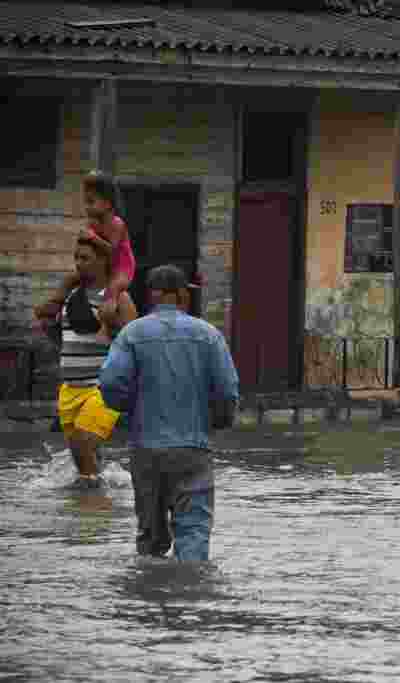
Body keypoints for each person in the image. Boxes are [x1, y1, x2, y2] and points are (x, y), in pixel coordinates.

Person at [99, 265, 239, 561]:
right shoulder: (208, 335)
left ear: (152, 296)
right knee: (193, 535)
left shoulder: (131, 334)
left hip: (145, 450)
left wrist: (128, 413)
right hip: (193, 449)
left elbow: (110, 384)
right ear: (182, 295)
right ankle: (190, 597)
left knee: (150, 538)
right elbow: (227, 391)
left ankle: (149, 600)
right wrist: (219, 421)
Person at [57, 234, 138, 486]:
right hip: (70, 389)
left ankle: (91, 507)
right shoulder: (71, 295)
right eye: (76, 258)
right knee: (83, 457)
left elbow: (135, 342)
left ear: (103, 261)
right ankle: (99, 512)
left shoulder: (118, 299)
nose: (78, 264)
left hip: (101, 387)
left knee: (83, 444)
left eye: (85, 258)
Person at [35, 171, 136, 343]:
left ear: (108, 204)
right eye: (85, 202)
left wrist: (93, 239)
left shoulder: (116, 224)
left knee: (111, 293)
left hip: (121, 267)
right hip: (104, 264)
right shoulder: (91, 223)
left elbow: (112, 251)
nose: (87, 207)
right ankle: (55, 302)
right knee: (70, 278)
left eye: (91, 202)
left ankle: (105, 327)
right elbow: (87, 246)